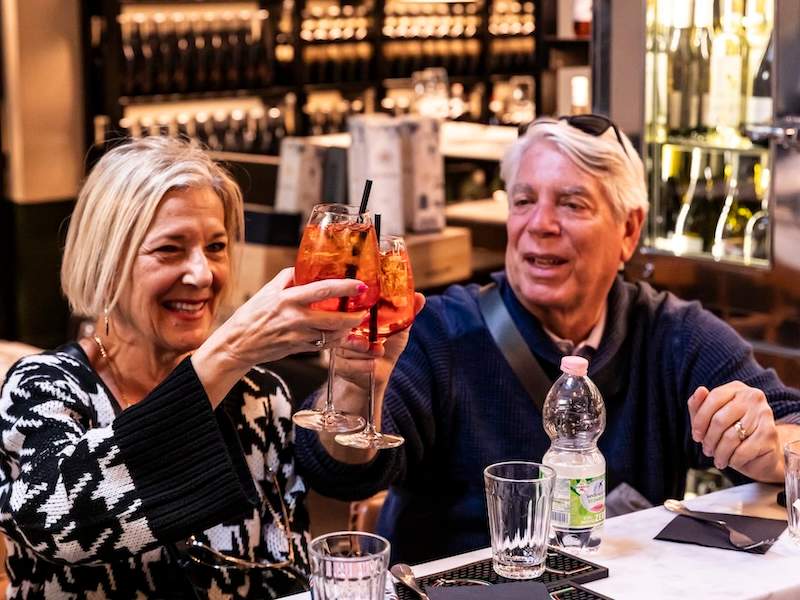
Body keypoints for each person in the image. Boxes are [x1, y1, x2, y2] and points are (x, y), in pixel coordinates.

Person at [295, 115, 800, 564]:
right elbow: (339, 473)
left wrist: (769, 447)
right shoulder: (441, 330)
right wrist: (357, 393)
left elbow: (791, 423)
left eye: (572, 204)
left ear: (629, 230)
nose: (540, 225)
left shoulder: (672, 334)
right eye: (524, 201)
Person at [0, 137, 369, 598]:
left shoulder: (259, 396)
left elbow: (284, 570)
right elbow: (54, 523)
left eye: (215, 247)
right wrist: (228, 352)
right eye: (170, 250)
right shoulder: (43, 388)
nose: (202, 274)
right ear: (106, 263)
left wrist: (357, 382)